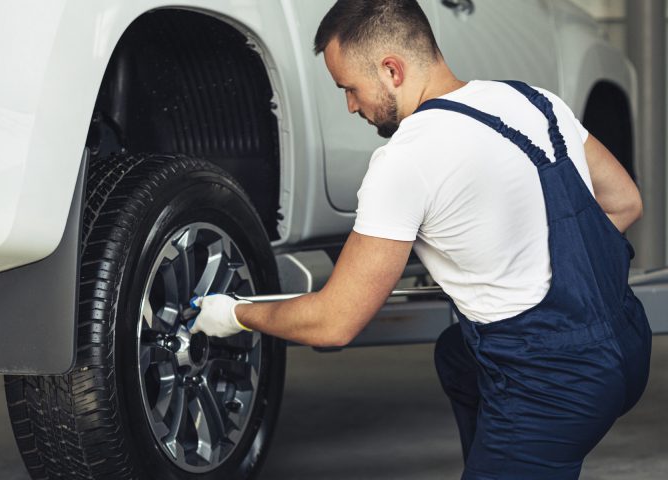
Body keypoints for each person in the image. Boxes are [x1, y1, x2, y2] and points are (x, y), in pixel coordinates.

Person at [188, 1, 652, 478]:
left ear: (392, 70)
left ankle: (515, 452)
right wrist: (529, 257)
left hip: (553, 386)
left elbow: (334, 324)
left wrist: (234, 314)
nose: (350, 106)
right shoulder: (535, 100)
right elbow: (624, 203)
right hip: (627, 347)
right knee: (457, 355)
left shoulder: (406, 159)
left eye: (350, 88)